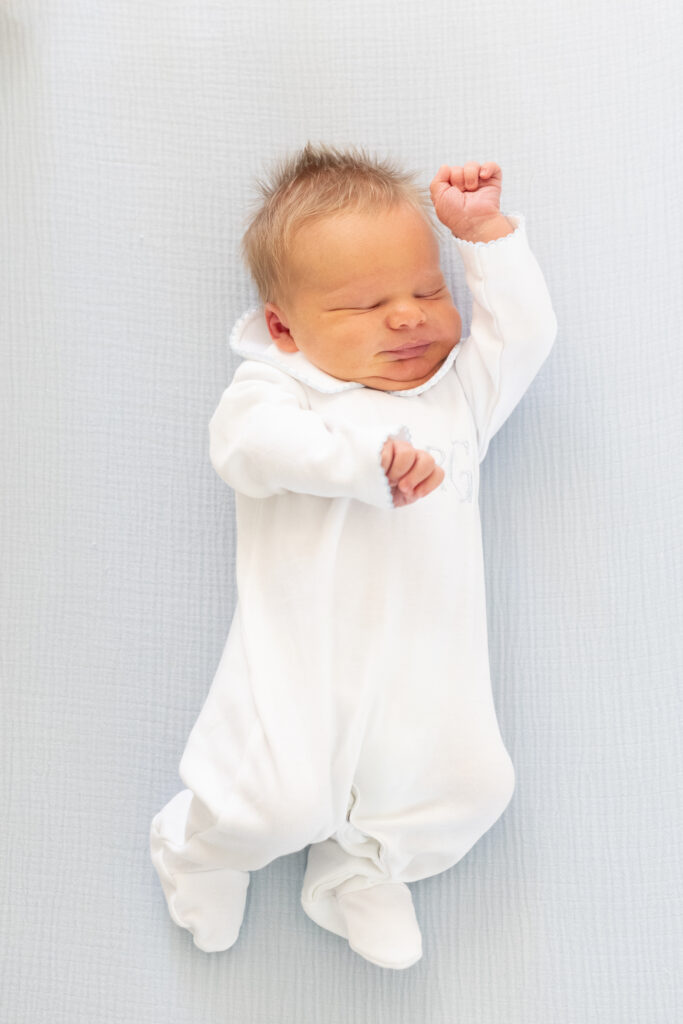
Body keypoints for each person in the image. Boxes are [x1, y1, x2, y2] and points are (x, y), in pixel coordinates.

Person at [150, 143, 558, 970]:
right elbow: (247, 447)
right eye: (365, 306)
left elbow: (523, 337)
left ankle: (360, 870)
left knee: (472, 783)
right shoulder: (281, 391)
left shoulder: (454, 397)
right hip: (301, 665)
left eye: (426, 291)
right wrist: (360, 465)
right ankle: (199, 848)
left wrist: (482, 237)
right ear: (283, 329)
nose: (407, 318)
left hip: (431, 668)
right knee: (275, 803)